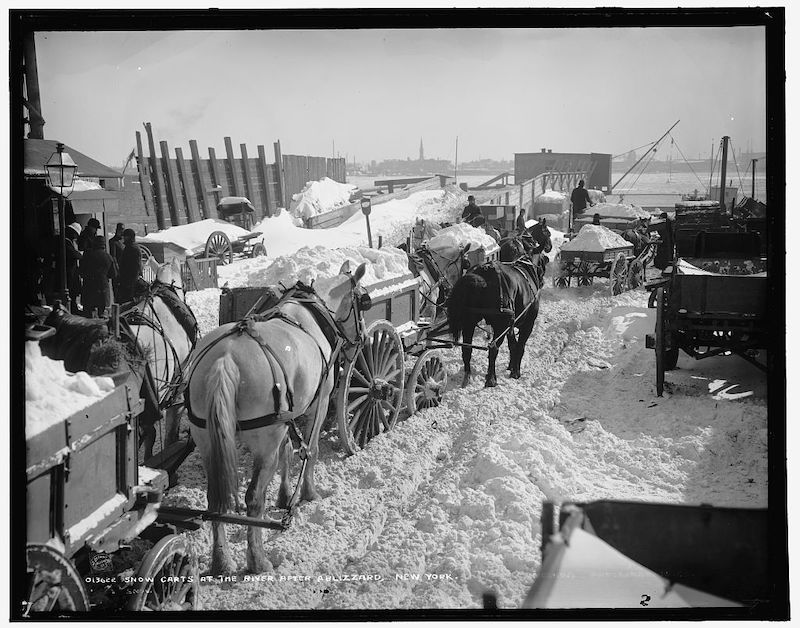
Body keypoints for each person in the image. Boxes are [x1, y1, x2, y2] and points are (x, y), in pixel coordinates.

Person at [80, 235, 117, 318]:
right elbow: (113, 274)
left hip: (89, 287)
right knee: (102, 314)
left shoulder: (87, 256)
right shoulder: (108, 257)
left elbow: (81, 271)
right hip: (102, 288)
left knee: (87, 314)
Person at [117, 228, 143, 303]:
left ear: (129, 237)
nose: (123, 238)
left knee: (127, 300)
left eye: (125, 236)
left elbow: (134, 266)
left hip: (129, 280)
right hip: (130, 279)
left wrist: (129, 281)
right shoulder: (132, 247)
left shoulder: (131, 248)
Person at [108, 223, 125, 301]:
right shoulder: (113, 242)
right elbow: (113, 257)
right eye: (121, 230)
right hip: (117, 269)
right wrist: (117, 269)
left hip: (124, 269)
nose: (122, 232)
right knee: (117, 290)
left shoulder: (123, 242)